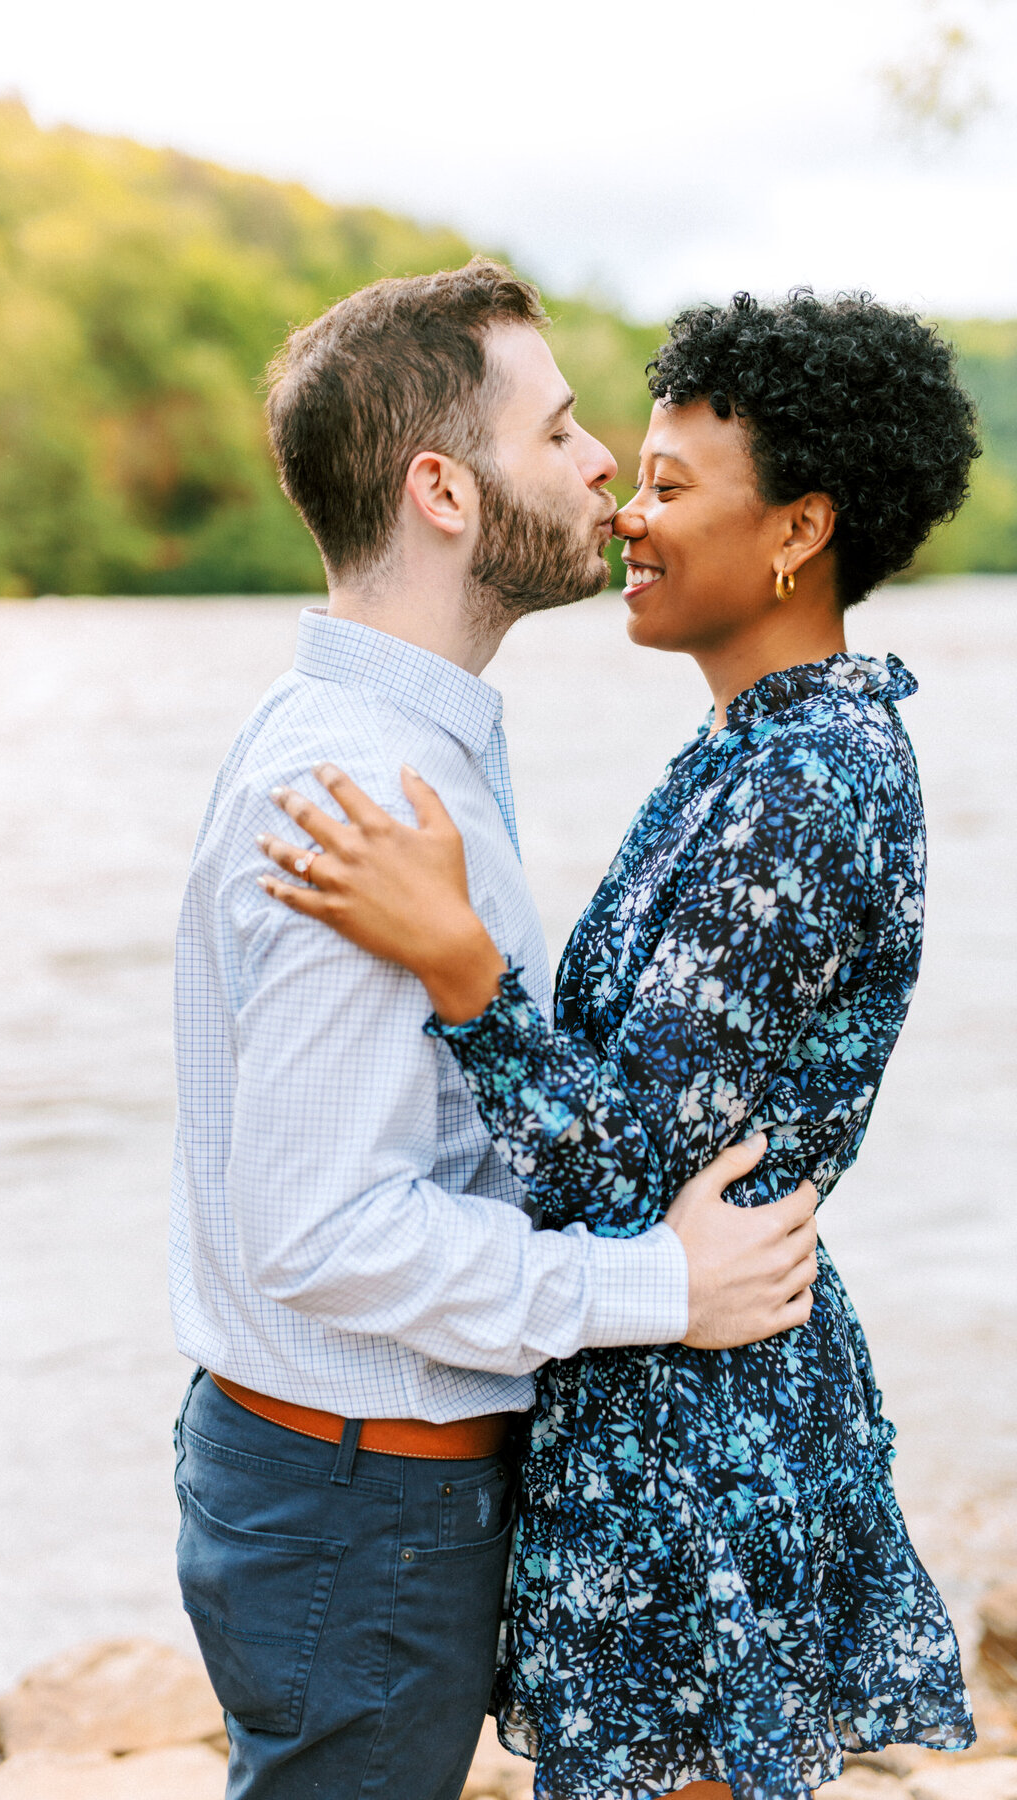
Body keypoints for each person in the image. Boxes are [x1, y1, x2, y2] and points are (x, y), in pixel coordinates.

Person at [255, 290, 981, 1800]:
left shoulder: (806, 782)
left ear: (798, 530)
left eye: (668, 485)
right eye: (626, 473)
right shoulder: (751, 746)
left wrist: (463, 969)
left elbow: (624, 1160)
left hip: (703, 1435)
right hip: (670, 1390)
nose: (623, 513)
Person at [169, 261, 821, 1800]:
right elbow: (323, 1233)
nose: (609, 466)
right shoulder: (370, 789)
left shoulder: (373, 734)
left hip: (333, 1480)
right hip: (359, 1499)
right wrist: (658, 1285)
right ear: (444, 490)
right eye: (563, 432)